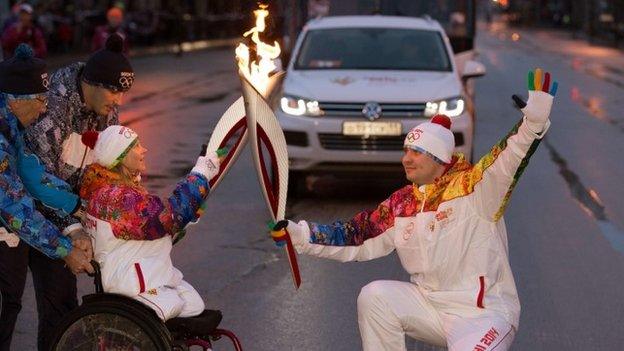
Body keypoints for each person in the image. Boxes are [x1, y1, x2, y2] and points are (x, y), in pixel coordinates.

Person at [279, 69, 558, 350]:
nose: (406, 159)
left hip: (482, 317)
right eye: (406, 151)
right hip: (431, 309)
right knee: (374, 295)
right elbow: (357, 234)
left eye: (416, 152)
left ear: (438, 158)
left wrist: (531, 125)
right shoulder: (403, 204)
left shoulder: (474, 189)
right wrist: (298, 234)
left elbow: (507, 160)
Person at [16, 33, 133, 350]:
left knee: (66, 305)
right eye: (113, 92)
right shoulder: (51, 106)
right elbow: (37, 180)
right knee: (23, 305)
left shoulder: (104, 108)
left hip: (70, 208)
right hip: (29, 210)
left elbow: (107, 164)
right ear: (93, 84)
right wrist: (73, 227)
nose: (118, 102)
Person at [0, 44, 93, 351]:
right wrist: (63, 248)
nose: (44, 108)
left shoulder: (13, 125)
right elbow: (13, 205)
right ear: (15, 99)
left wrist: (79, 207)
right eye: (39, 99)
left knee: (9, 304)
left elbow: (33, 173)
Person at [79, 125, 220, 320]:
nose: (144, 150)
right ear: (120, 156)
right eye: (136, 146)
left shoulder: (114, 191)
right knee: (176, 306)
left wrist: (187, 216)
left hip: (146, 274)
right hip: (133, 284)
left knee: (194, 305)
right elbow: (166, 218)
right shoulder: (116, 198)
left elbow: (154, 229)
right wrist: (200, 175)